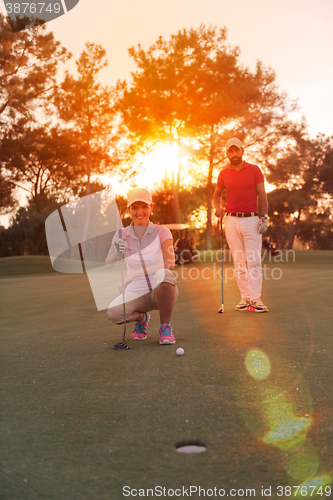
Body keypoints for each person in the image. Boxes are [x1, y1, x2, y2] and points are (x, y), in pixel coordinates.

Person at [105, 188, 178, 344]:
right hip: (136, 293)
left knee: (164, 274)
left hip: (162, 290)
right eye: (135, 207)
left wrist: (135, 274)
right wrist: (117, 254)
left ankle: (165, 326)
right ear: (128, 210)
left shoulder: (162, 231)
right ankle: (142, 318)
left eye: (144, 206)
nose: (140, 211)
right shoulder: (120, 235)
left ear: (151, 208)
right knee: (114, 313)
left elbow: (169, 263)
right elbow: (108, 265)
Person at [213, 137, 269, 312]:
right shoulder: (223, 173)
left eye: (237, 150)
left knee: (253, 260)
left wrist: (264, 217)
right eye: (231, 151)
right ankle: (245, 298)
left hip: (252, 220)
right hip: (231, 220)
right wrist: (217, 208)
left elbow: (262, 194)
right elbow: (216, 195)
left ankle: (256, 299)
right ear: (227, 153)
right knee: (239, 261)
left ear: (242, 151)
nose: (234, 154)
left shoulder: (254, 170)